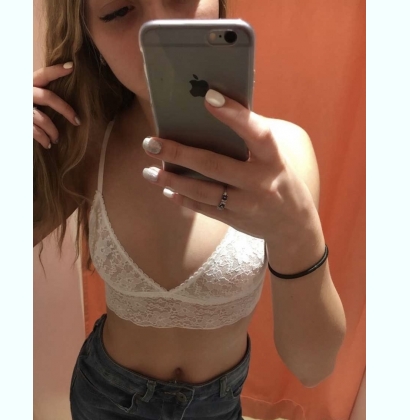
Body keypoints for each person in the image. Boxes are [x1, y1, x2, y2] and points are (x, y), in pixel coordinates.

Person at [33, 1, 347, 419]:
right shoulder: (87, 143)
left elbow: (313, 368)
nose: (161, 28)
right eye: (119, 10)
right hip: (106, 396)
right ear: (90, 39)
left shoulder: (287, 156)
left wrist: (297, 232)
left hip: (218, 406)